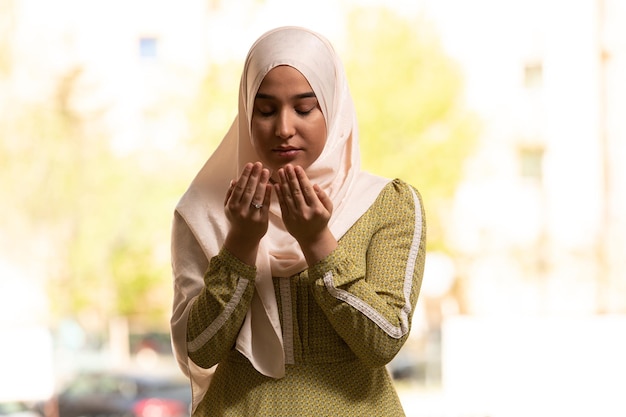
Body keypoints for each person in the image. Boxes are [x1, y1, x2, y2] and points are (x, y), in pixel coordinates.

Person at [170, 26, 426, 416]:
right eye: (266, 109)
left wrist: (317, 240)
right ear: (246, 112)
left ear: (334, 109)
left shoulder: (385, 204)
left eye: (305, 108)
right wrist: (240, 242)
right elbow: (201, 350)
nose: (284, 128)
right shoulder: (207, 209)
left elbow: (383, 343)